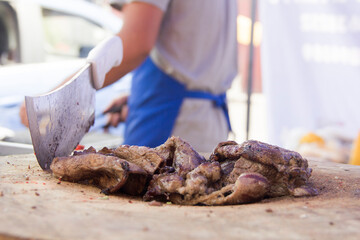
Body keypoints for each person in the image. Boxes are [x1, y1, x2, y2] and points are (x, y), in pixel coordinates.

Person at [21, 0, 238, 153]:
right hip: (207, 121)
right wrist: (139, 99)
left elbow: (136, 42)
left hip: (173, 130)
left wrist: (57, 98)